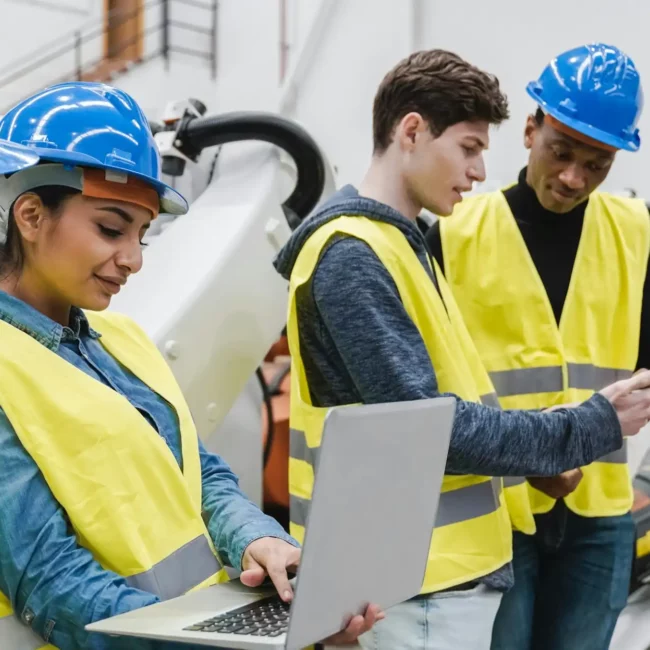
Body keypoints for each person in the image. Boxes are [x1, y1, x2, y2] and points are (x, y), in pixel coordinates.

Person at [273, 48, 650, 650]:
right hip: (417, 579)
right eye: (470, 148)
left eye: (597, 162)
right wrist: (591, 424)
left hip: (450, 567)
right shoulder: (361, 255)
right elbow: (433, 431)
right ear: (414, 132)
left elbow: (443, 406)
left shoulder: (403, 249)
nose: (478, 172)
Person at [0, 81, 381, 650]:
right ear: (30, 214)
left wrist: (258, 541)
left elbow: (200, 474)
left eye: (142, 236)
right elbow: (53, 583)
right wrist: (220, 640)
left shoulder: (120, 338)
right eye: (110, 229)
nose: (131, 260)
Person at [426, 43, 646, 650]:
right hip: (494, 506)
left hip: (600, 510)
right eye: (562, 152)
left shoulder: (637, 233)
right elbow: (432, 382)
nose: (574, 178)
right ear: (529, 129)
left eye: (597, 164)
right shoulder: (453, 232)